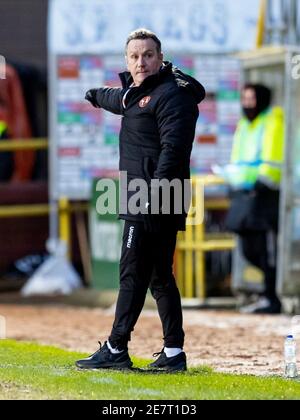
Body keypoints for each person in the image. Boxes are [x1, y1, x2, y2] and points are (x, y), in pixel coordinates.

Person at [75, 29, 205, 371]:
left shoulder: (172, 95)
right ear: (127, 60)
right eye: (134, 56)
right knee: (159, 275)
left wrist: (155, 194)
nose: (140, 61)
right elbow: (116, 99)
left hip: (153, 196)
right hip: (149, 195)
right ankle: (174, 354)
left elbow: (174, 150)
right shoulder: (137, 94)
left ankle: (117, 347)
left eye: (148, 55)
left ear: (160, 58)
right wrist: (93, 94)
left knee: (132, 272)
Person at [225, 83, 284, 314]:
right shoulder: (244, 124)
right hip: (243, 190)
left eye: (251, 99)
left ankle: (272, 296)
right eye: (244, 98)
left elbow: (273, 156)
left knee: (265, 247)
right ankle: (265, 293)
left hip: (265, 191)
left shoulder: (272, 120)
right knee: (248, 247)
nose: (247, 103)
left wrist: (264, 180)